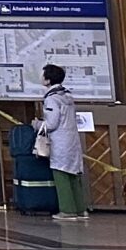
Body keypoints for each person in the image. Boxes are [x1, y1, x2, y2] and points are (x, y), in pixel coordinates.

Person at [39, 64, 89, 221]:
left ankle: (67, 210)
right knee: (74, 174)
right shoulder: (67, 96)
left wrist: (37, 124)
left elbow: (52, 123)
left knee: (61, 175)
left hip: (60, 141)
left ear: (48, 79)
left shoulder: (52, 99)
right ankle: (80, 209)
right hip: (72, 139)